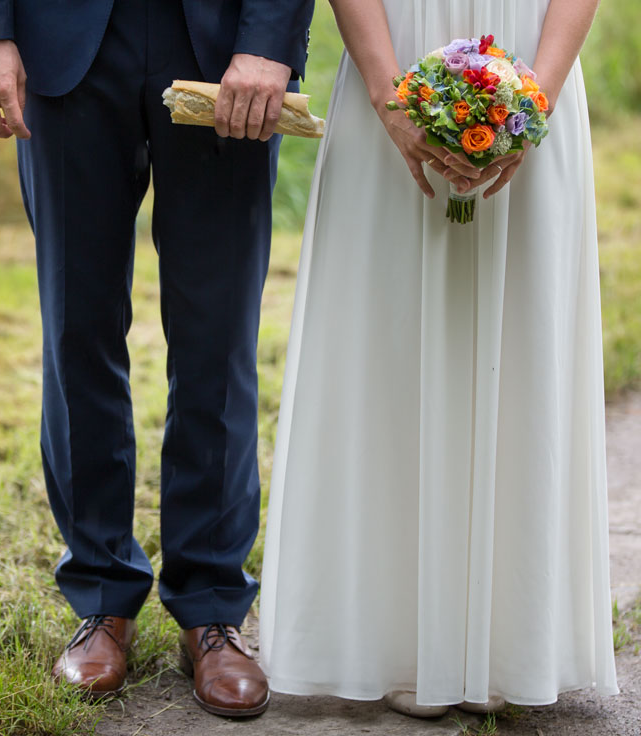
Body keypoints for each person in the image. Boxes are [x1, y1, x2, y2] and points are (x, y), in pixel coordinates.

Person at [0, 0, 313, 718]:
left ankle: (211, 606)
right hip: (63, 38)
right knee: (77, 328)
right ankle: (102, 596)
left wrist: (269, 40)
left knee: (219, 336)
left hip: (220, 41)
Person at [260, 0, 618, 716]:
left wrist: (532, 103)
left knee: (521, 339)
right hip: (395, 60)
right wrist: (388, 93)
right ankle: (389, 635)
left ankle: (509, 639)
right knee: (388, 338)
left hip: (531, 58)